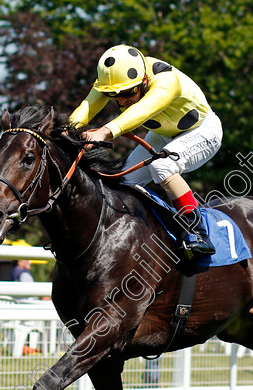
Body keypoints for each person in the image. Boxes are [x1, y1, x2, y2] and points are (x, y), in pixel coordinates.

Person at [70, 44, 223, 255]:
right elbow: (88, 106)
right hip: (162, 136)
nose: (123, 100)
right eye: (115, 96)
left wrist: (105, 131)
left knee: (163, 167)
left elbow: (141, 111)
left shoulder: (167, 82)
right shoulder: (116, 79)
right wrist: (67, 130)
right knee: (124, 184)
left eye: (128, 92)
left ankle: (198, 232)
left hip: (203, 130)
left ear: (143, 80)